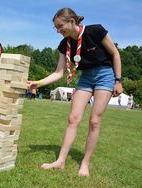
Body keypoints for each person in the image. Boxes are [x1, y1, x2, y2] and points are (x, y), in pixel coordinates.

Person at [27, 8, 123, 176]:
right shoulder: (64, 45)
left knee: (94, 121)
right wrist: (38, 83)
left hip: (105, 74)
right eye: (55, 28)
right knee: (73, 118)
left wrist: (118, 80)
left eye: (60, 26)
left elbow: (115, 54)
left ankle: (85, 163)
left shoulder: (96, 31)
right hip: (86, 77)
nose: (58, 31)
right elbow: (59, 72)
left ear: (72, 21)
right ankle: (60, 161)